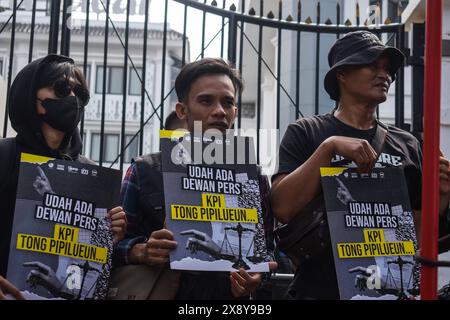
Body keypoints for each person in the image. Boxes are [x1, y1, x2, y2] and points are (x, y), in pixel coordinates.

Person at [270, 30, 450, 299]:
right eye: (372, 64)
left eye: (387, 68)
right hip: (319, 290)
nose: (384, 75)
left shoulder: (407, 144)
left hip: (388, 290)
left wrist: (442, 196)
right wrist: (328, 148)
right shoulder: (307, 131)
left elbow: (418, 235)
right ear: (341, 74)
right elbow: (282, 208)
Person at [114, 58, 277, 299]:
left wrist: (257, 275)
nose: (219, 111)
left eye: (228, 102)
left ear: (235, 112)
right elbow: (110, 246)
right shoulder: (144, 170)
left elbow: (269, 254)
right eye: (206, 100)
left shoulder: (253, 177)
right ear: (182, 110)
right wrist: (142, 251)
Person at [0, 54, 127, 299]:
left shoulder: (90, 172)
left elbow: (91, 253)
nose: (72, 99)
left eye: (80, 94)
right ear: (31, 96)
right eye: (62, 88)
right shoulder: (4, 155)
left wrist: (111, 231)